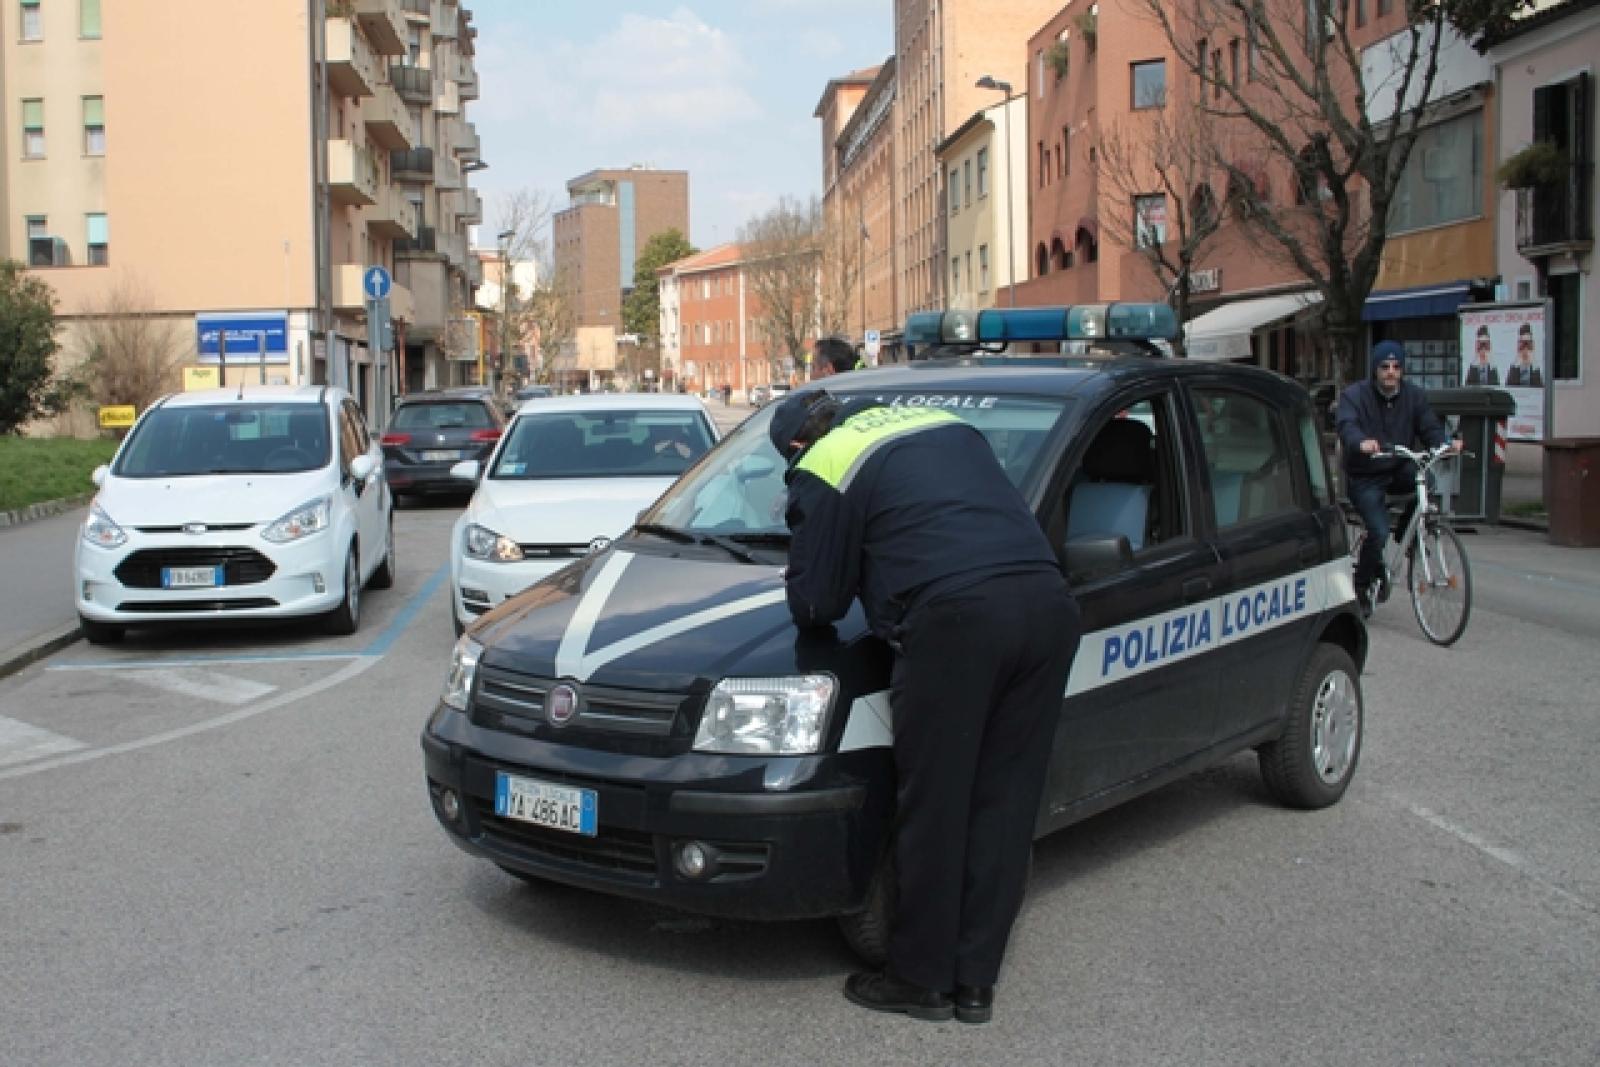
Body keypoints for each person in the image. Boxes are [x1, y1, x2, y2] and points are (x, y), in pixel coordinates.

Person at [769, 390, 1082, 1025]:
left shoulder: (828, 460)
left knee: (936, 803)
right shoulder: (944, 423)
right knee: (1005, 801)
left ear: (799, 446)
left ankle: (921, 979)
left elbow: (818, 600)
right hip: (1047, 605)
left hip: (958, 620)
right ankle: (975, 985)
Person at [1337, 340, 1458, 618]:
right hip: (1366, 472)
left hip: (1398, 466)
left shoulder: (1414, 396)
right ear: (1375, 369)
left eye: (1396, 367)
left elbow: (1429, 426)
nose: (1391, 372)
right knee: (1378, 531)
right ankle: (1362, 587)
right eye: (1384, 367)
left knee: (1426, 482)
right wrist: (1361, 443)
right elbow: (1347, 425)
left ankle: (1408, 535)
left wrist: (1444, 444)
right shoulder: (1356, 396)